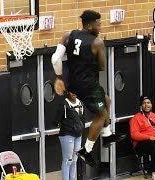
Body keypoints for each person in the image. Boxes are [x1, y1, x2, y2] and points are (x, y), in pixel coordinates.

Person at [51, 10, 119, 167]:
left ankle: (107, 134)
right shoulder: (97, 42)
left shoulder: (68, 35)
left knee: (106, 100)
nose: (100, 27)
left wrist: (59, 77)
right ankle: (86, 150)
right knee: (102, 115)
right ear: (89, 25)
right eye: (98, 24)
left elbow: (55, 59)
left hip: (73, 83)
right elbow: (102, 67)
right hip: (89, 85)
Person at [55, 91, 85, 180]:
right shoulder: (64, 104)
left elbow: (83, 118)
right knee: (68, 160)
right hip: (67, 134)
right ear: (68, 92)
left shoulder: (80, 103)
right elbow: (57, 119)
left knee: (74, 161)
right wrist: (60, 124)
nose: (74, 93)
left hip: (78, 135)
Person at [130, 96, 155, 180]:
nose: (146, 105)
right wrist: (150, 137)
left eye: (148, 103)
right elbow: (134, 134)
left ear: (151, 104)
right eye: (144, 103)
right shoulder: (136, 118)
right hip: (142, 144)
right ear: (141, 105)